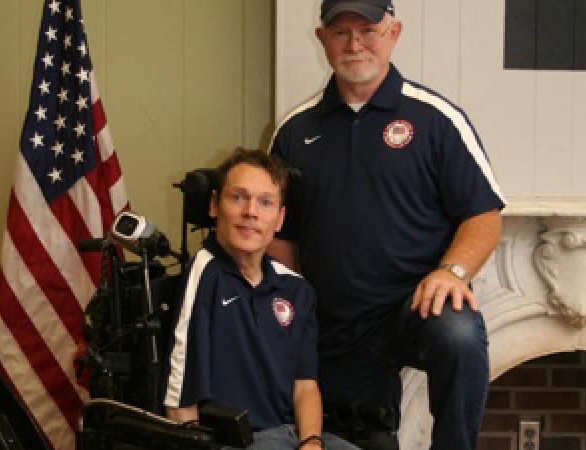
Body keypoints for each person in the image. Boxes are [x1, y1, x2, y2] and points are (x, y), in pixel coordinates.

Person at [267, 1, 505, 449]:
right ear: (322, 39)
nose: (355, 44)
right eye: (341, 32)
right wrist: (291, 305)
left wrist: (450, 273)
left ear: (394, 33)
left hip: (412, 312)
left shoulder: (436, 118)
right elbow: (281, 236)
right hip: (334, 322)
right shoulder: (294, 131)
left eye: (368, 30)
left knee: (459, 332)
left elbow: (484, 217)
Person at [163, 149, 358, 450]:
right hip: (239, 441)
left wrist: (312, 443)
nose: (251, 212)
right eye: (239, 197)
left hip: (293, 435)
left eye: (265, 202)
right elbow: (179, 395)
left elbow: (305, 386)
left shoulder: (297, 290)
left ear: (279, 219)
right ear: (215, 205)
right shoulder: (204, 275)